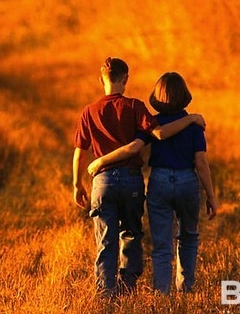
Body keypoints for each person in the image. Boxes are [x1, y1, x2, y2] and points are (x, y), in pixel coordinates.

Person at [72, 59, 206, 299]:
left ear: (100, 79)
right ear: (126, 79)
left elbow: (80, 152)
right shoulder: (135, 107)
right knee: (131, 233)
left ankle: (106, 294)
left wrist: (77, 183)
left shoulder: (88, 111)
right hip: (132, 181)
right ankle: (128, 287)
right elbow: (156, 136)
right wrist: (191, 118)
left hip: (102, 183)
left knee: (105, 239)